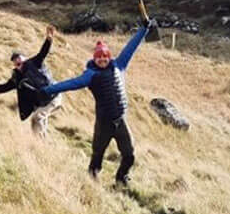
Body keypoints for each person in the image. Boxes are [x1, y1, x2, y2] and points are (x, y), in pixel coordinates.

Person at [46, 20, 152, 186]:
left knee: (129, 155)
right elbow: (69, 84)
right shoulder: (90, 75)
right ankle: (91, 182)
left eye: (105, 56)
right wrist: (48, 90)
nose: (102, 59)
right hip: (104, 124)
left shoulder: (119, 65)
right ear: (94, 58)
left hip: (121, 121)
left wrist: (144, 30)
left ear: (109, 56)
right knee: (97, 155)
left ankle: (121, 178)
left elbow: (131, 47)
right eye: (99, 56)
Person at [0, 24, 63, 136]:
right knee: (39, 122)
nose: (16, 61)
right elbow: (3, 88)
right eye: (14, 60)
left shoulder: (35, 62)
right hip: (42, 103)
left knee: (37, 118)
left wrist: (49, 39)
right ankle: (44, 147)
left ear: (24, 59)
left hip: (54, 96)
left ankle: (39, 146)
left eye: (19, 58)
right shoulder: (17, 79)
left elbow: (43, 52)